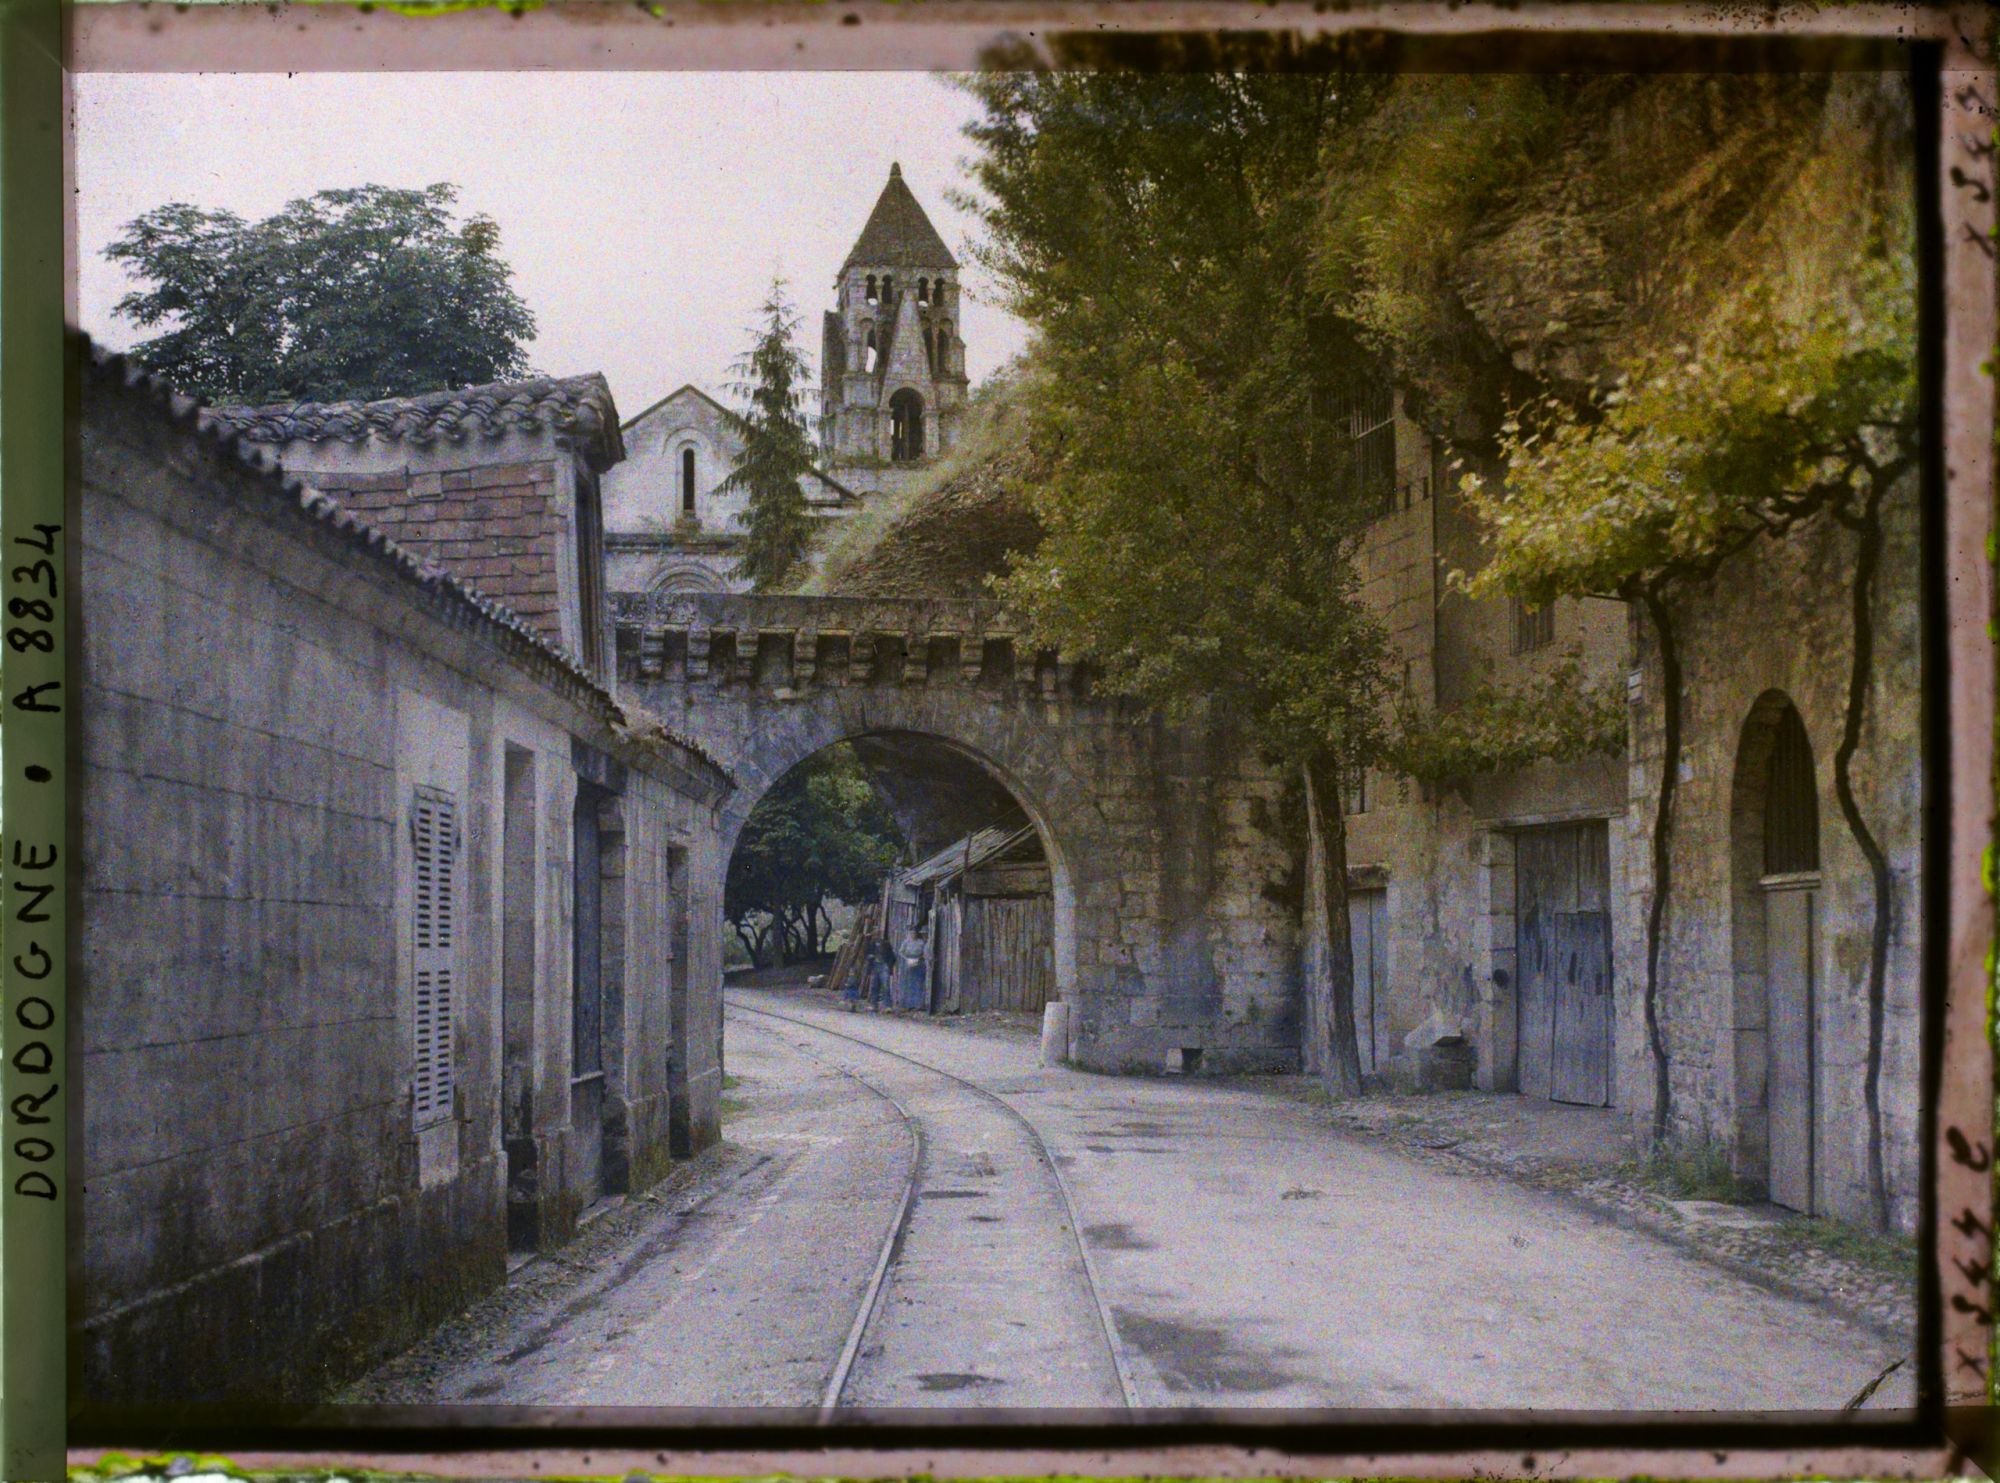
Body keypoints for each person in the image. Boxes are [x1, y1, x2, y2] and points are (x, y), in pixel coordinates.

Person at [896, 926, 929, 1013]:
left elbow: (925, 952)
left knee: (919, 983)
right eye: (911, 933)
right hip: (909, 963)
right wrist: (906, 958)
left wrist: (920, 958)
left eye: (914, 933)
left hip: (919, 962)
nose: (913, 934)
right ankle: (909, 1004)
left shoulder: (920, 942)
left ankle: (918, 1005)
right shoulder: (906, 942)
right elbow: (900, 952)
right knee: (909, 983)